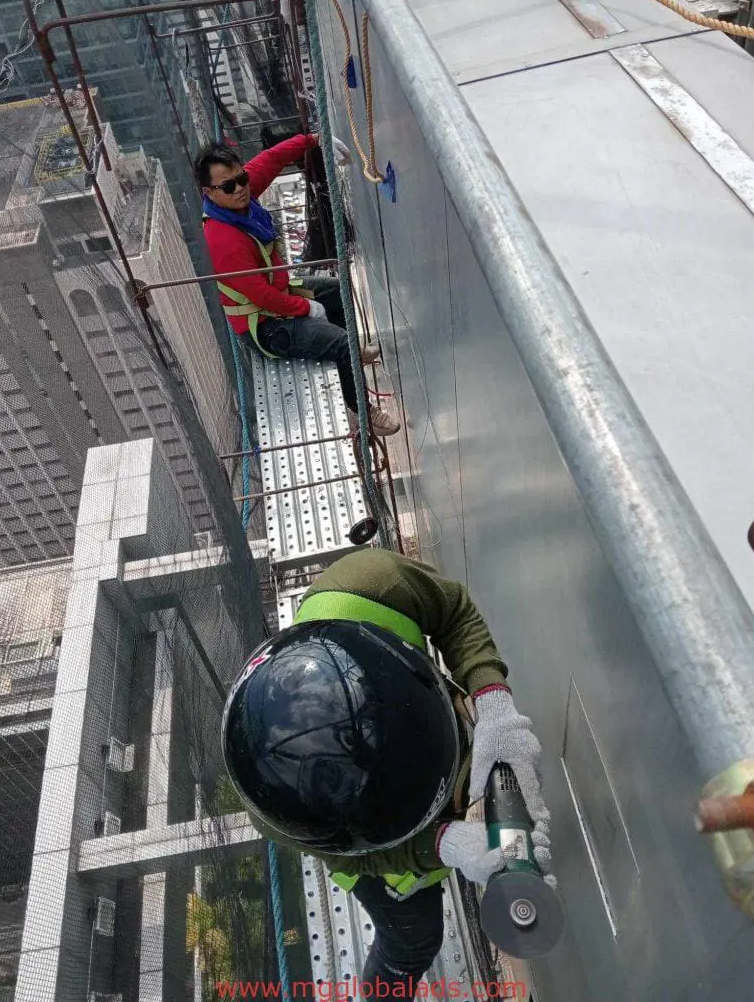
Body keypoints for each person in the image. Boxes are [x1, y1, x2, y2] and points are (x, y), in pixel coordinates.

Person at [222, 549, 554, 1000]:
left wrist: (494, 705)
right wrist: (443, 843)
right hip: (383, 852)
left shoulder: (368, 586)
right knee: (414, 940)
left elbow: (452, 611)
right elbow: (359, 858)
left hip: (427, 746)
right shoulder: (280, 807)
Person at [194, 134, 400, 437]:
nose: (239, 188)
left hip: (279, 293)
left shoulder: (240, 203)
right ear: (209, 193)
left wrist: (315, 139)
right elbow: (259, 296)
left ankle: (352, 352)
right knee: (339, 342)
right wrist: (305, 307)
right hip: (265, 326)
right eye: (228, 186)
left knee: (333, 289)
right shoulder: (223, 238)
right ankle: (363, 409)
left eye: (242, 179)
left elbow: (271, 159)